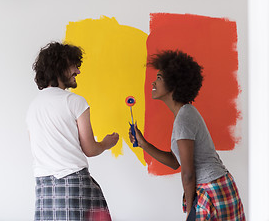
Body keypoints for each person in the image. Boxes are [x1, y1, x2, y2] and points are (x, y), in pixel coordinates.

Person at [129, 50, 245, 220]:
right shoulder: (184, 115)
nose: (153, 82)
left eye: (159, 78)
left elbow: (188, 173)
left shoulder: (184, 118)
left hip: (213, 190)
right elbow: (176, 162)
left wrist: (191, 212)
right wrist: (143, 144)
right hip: (214, 187)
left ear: (173, 85)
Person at [27, 42, 119, 221]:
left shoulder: (33, 106)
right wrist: (107, 143)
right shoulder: (75, 101)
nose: (78, 71)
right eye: (74, 66)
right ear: (59, 67)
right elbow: (90, 149)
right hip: (73, 184)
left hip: (44, 185)